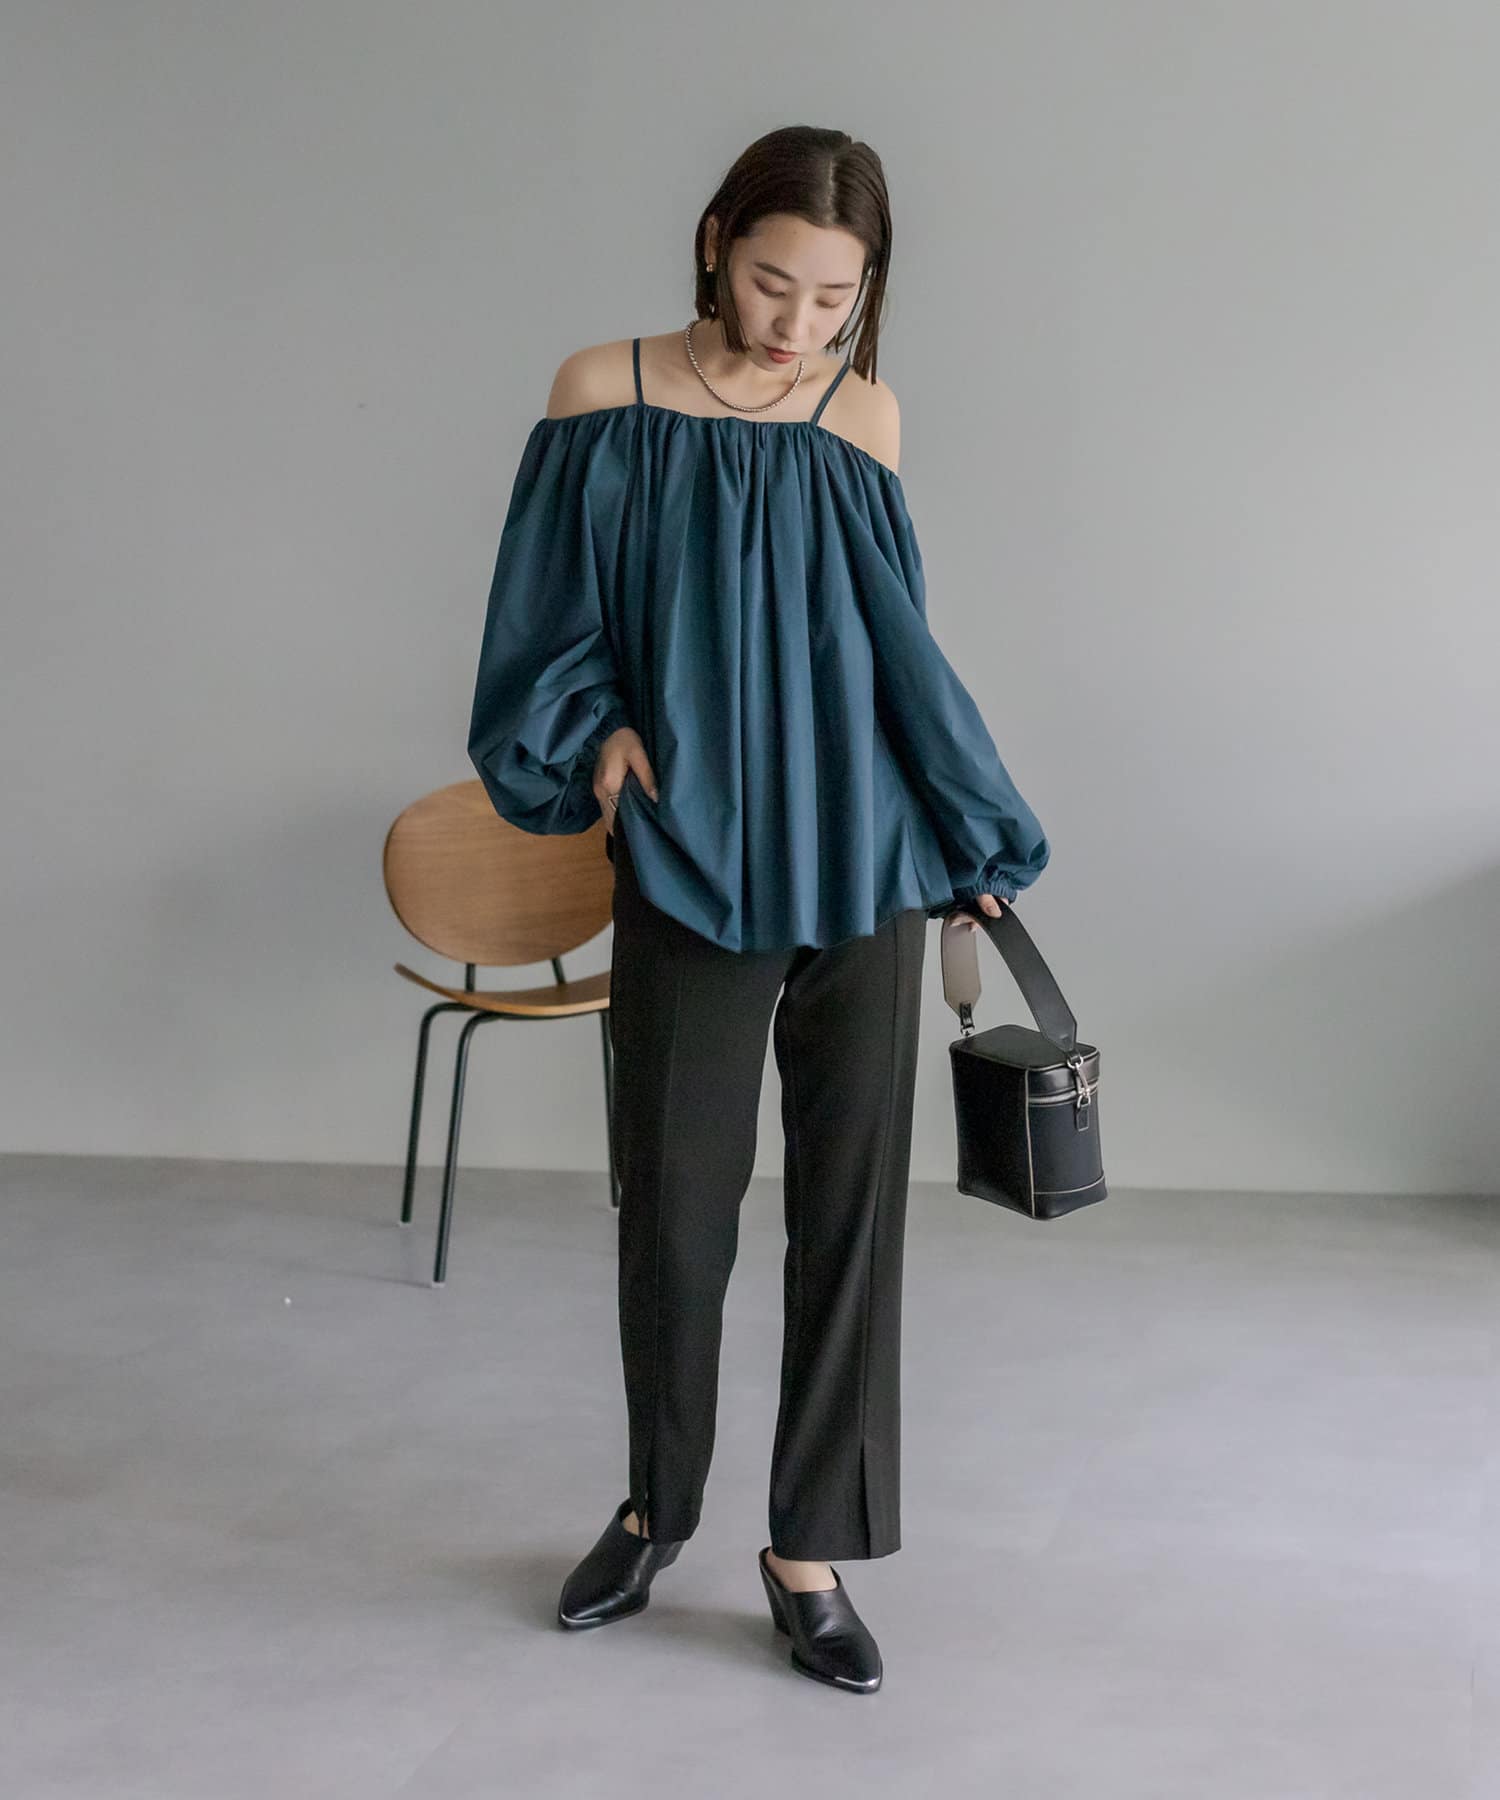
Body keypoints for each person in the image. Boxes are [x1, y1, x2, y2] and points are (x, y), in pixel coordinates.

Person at [467, 125, 1050, 1694]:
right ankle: (655, 1509)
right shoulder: (603, 393)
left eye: (834, 299)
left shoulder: (865, 418)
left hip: (864, 857)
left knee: (850, 1212)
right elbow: (543, 618)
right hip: (693, 855)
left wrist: (964, 824)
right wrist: (598, 741)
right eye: (774, 281)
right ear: (717, 240)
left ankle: (811, 1551)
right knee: (674, 1203)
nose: (798, 324)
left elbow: (894, 647)